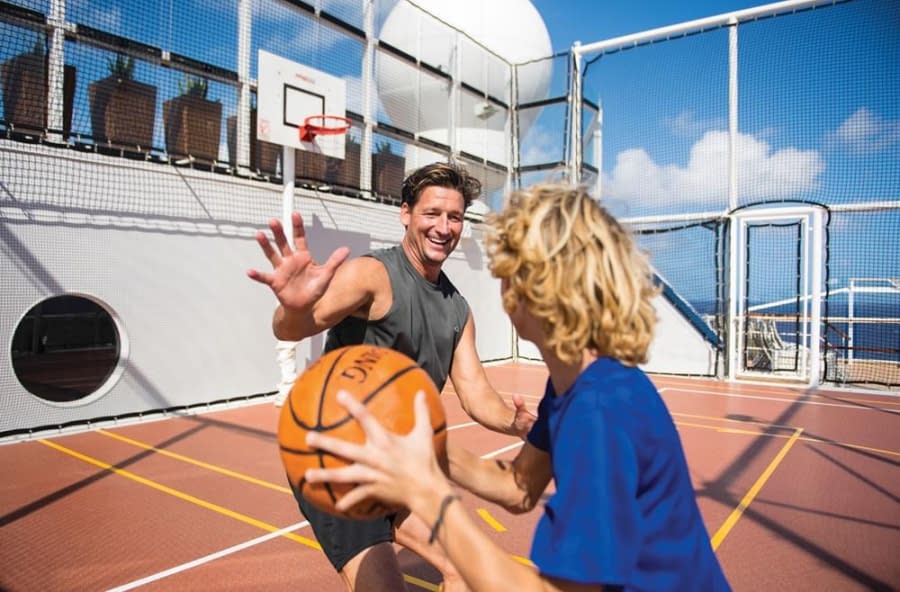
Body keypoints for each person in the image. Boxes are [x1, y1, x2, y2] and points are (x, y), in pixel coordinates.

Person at [304, 183, 732, 591]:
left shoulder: (597, 413)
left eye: (509, 271)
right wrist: (422, 447)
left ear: (541, 287)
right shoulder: (575, 386)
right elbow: (518, 487)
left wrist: (431, 496)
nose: (503, 286)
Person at [247, 162, 536, 592]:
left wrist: (516, 423)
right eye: (431, 214)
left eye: (454, 217)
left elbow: (476, 394)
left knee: (463, 568)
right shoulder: (372, 275)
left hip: (399, 461)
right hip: (335, 460)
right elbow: (294, 327)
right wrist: (293, 307)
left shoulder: (457, 309)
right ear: (406, 214)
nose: (443, 227)